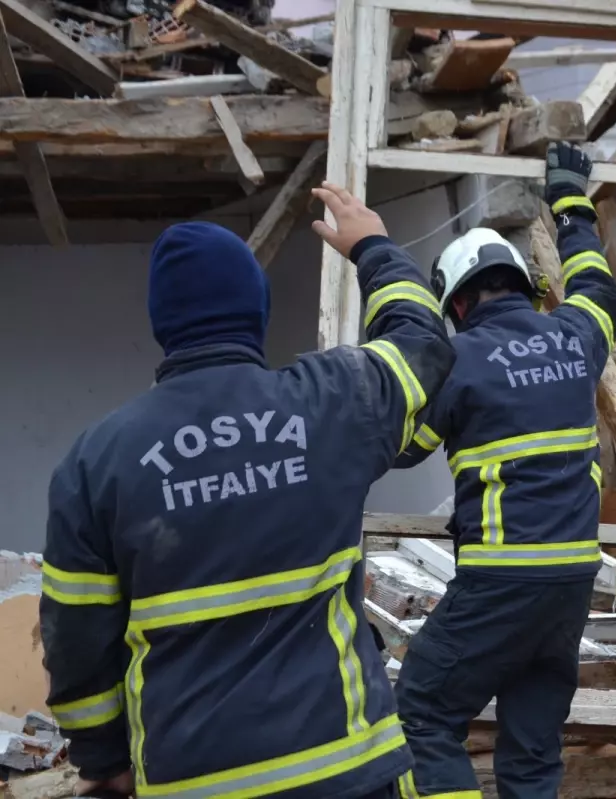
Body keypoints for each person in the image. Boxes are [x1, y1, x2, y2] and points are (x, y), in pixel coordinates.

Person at [39, 184, 455, 799]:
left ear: (163, 326)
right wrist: (372, 246)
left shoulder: (96, 462)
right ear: (254, 309)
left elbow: (75, 640)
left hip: (192, 780)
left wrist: (105, 759)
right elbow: (422, 339)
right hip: (345, 771)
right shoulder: (332, 401)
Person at [388, 141, 616, 799]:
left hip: (501, 578)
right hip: (572, 580)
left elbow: (401, 446)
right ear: (525, 282)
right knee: (530, 753)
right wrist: (570, 198)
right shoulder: (577, 336)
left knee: (419, 716)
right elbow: (600, 286)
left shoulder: (456, 360)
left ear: (456, 303)